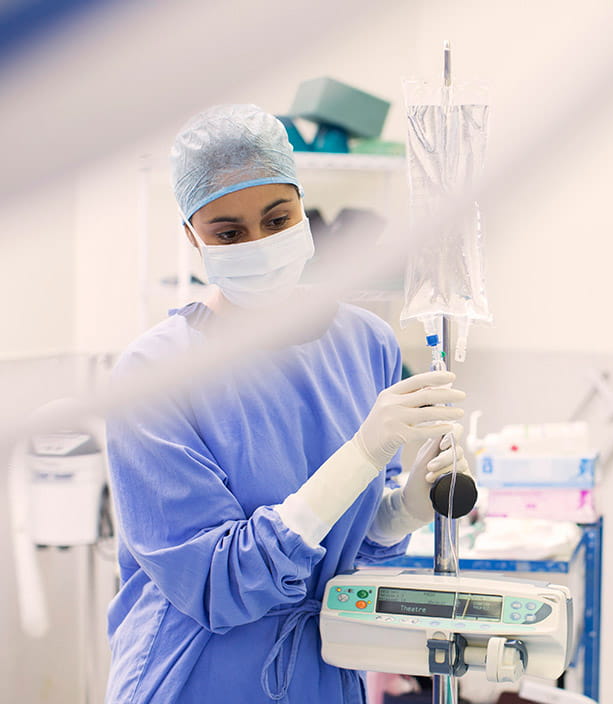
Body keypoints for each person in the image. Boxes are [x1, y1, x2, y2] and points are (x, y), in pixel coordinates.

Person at [104, 104, 469, 703]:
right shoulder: (153, 376)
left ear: (303, 206)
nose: (260, 244)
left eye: (278, 218)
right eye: (228, 233)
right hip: (201, 677)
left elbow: (351, 539)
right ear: (193, 239)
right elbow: (222, 585)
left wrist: (405, 506)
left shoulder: (363, 341)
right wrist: (360, 453)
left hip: (322, 673)